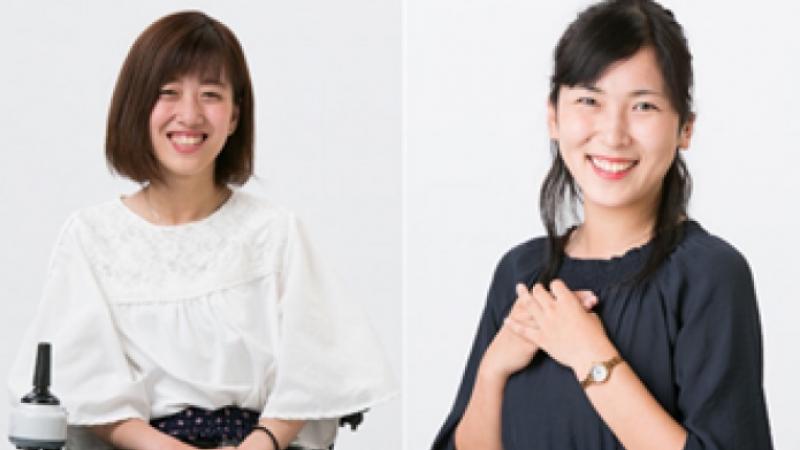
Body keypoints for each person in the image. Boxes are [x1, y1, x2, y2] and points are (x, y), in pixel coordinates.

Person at [8, 11, 395, 450]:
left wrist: (261, 443)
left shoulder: (274, 233)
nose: (190, 115)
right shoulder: (92, 236)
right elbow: (84, 389)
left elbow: (320, 366)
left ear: (233, 116)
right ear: (137, 108)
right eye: (168, 93)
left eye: (210, 94)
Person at [431, 1, 773, 449]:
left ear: (685, 129)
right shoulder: (520, 274)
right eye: (589, 100)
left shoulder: (710, 275)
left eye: (644, 106)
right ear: (554, 116)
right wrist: (493, 369)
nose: (613, 135)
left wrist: (588, 355)